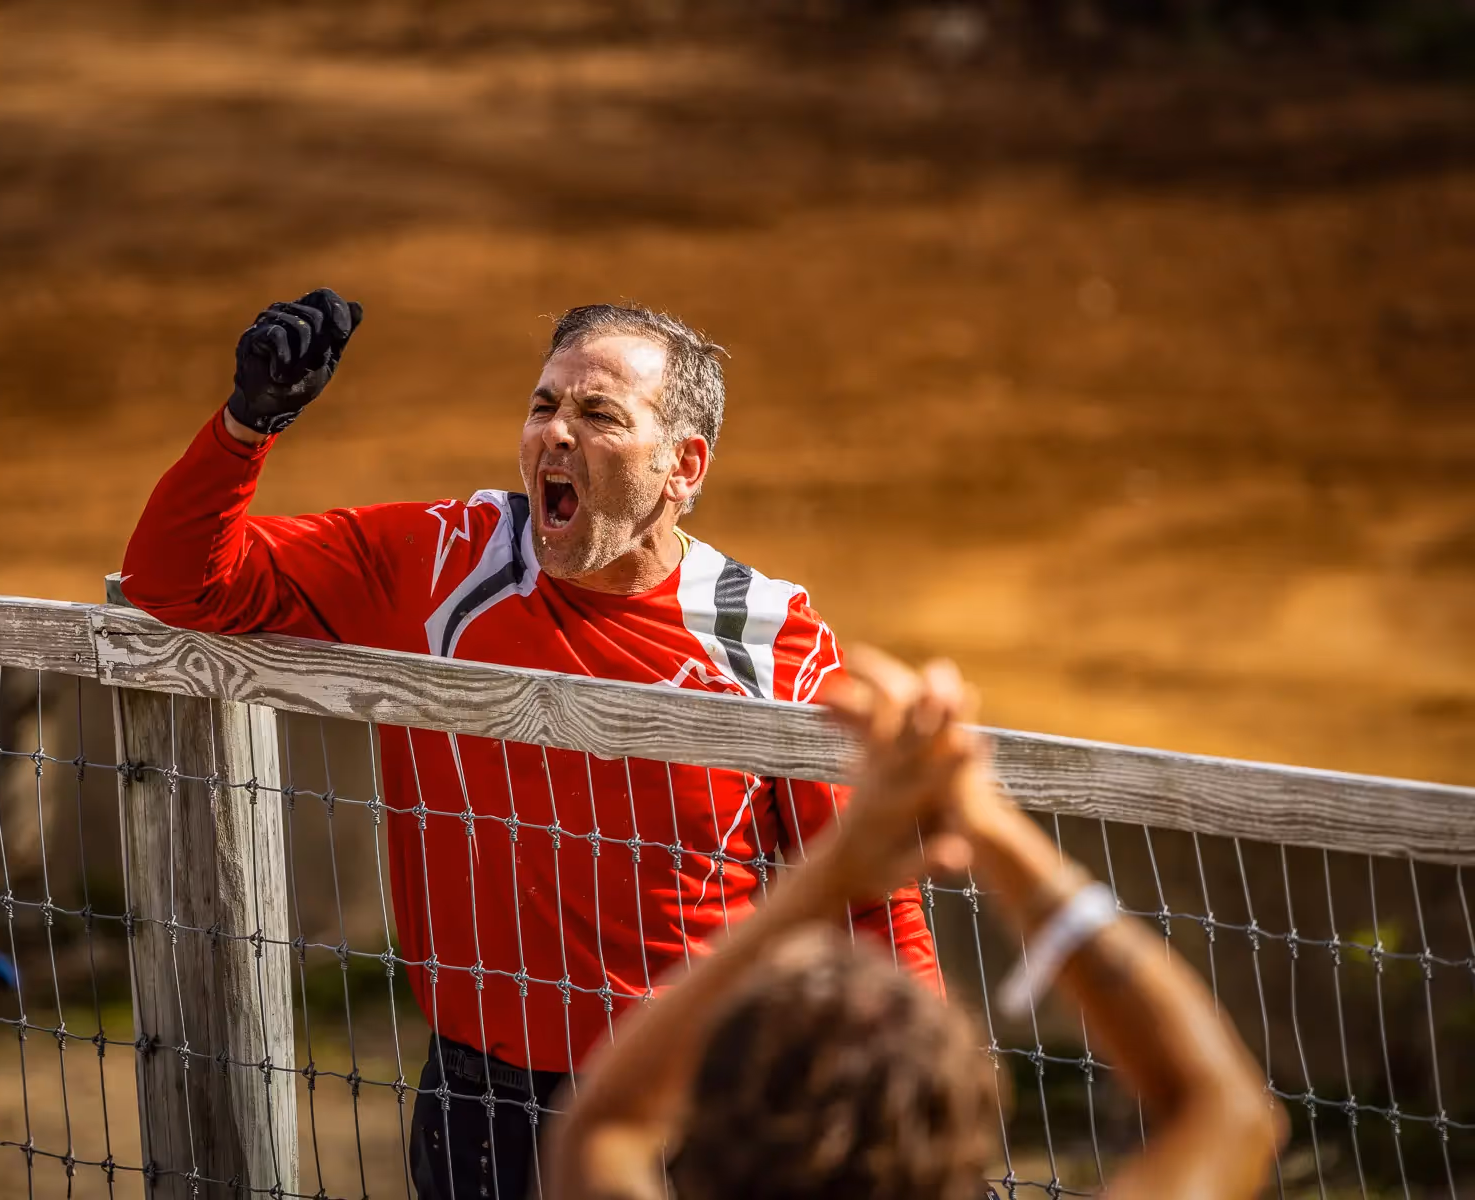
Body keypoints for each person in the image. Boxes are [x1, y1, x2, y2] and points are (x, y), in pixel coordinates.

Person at [120, 290, 940, 1200]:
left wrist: (926, 1123)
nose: (556, 432)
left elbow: (873, 896)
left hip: (696, 1103)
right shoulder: (444, 561)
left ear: (682, 465)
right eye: (544, 404)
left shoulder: (772, 637)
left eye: (599, 415)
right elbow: (175, 583)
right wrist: (248, 425)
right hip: (479, 1103)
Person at [549, 649, 1288, 1200]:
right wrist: (983, 816)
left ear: (702, 1136)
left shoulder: (604, 1152)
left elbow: (603, 1123)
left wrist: (835, 869)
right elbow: (1229, 1111)